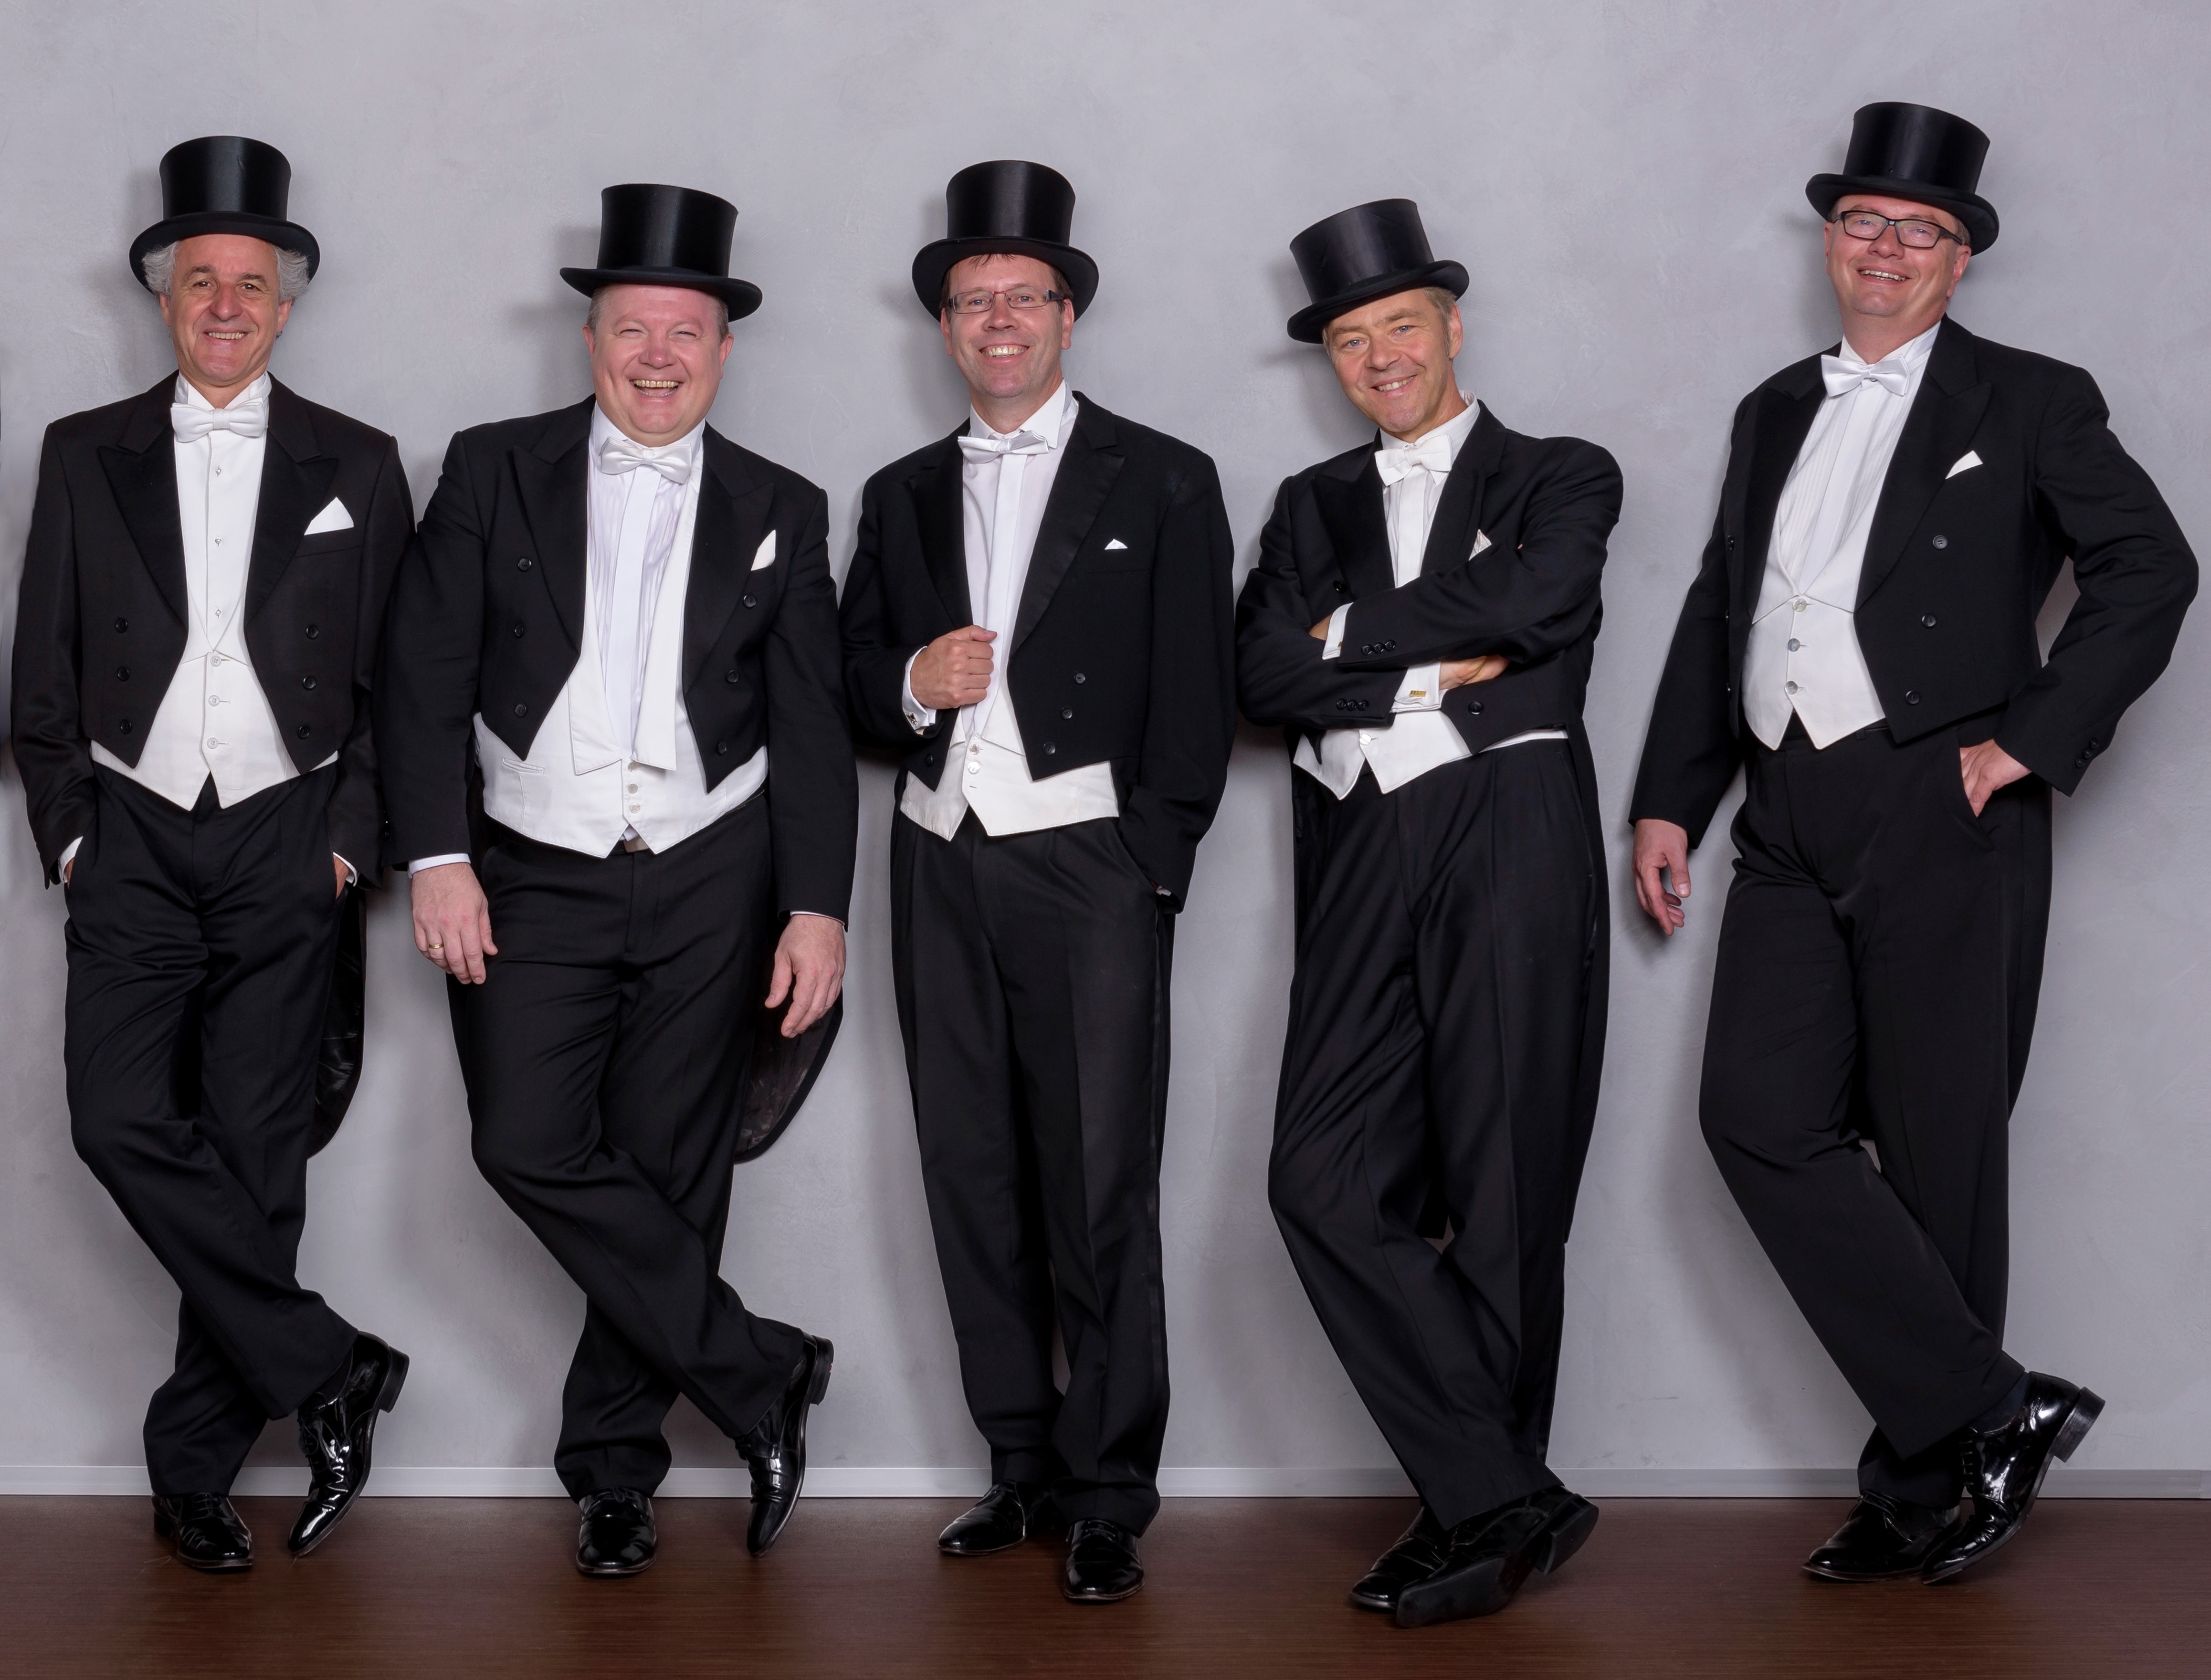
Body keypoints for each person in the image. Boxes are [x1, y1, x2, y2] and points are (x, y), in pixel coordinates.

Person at [1629, 103, 2196, 1583]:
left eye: (1919, 230)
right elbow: (1724, 601)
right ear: (1832, 241)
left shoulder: (2032, 398)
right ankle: (1996, 1414)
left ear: (1961, 258)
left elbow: (2152, 567)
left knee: (1941, 1154)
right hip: (1784, 803)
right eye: (1863, 222)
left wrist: (2031, 742)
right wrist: (1674, 794)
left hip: (1943, 803)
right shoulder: (1773, 407)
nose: (1886, 248)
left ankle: (1921, 1487)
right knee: (1757, 1119)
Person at [376, 183, 855, 1576]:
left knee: (672, 1174)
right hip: (531, 865)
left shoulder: (783, 504)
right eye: (634, 329)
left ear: (725, 348)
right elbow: (422, 677)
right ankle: (758, 1369)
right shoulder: (491, 468)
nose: (658, 356)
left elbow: (814, 726)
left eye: (685, 332)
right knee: (524, 1141)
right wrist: (439, 858)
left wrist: (818, 904)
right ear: (591, 338)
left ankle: (612, 1476)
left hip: (717, 870)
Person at [10, 136, 414, 1571]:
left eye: (251, 284)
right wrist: (72, 836)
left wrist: (348, 846)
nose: (227, 306)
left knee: (258, 1160)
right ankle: (330, 1365)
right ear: (164, 299)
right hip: (129, 832)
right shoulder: (83, 451)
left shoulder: (360, 460)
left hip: (289, 836)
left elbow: (399, 684)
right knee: (116, 1119)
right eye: (202, 283)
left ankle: (193, 1474)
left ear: (286, 305)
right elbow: (41, 676)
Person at [839, 160, 1235, 1604]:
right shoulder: (897, 494)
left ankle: (1111, 1489)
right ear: (946, 326)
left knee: (1099, 1180)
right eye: (973, 301)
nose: (998, 321)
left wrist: (1148, 866)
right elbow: (847, 683)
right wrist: (911, 679)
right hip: (936, 852)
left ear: (1068, 316)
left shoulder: (1166, 475)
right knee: (970, 1172)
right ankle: (1019, 1464)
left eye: (1024, 297)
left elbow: (1199, 695)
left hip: (1091, 862)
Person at [1236, 199, 1620, 1628]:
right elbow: (1258, 676)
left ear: (1454, 326)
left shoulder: (1561, 471)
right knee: (1321, 1178)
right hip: (1358, 846)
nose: (1380, 356)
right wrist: (1436, 661)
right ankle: (1504, 1492)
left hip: (1507, 829)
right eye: (1351, 340)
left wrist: (1344, 639)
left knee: (1506, 1186)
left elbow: (1546, 595)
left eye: (1401, 326)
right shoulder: (1307, 504)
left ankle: (1474, 1512)